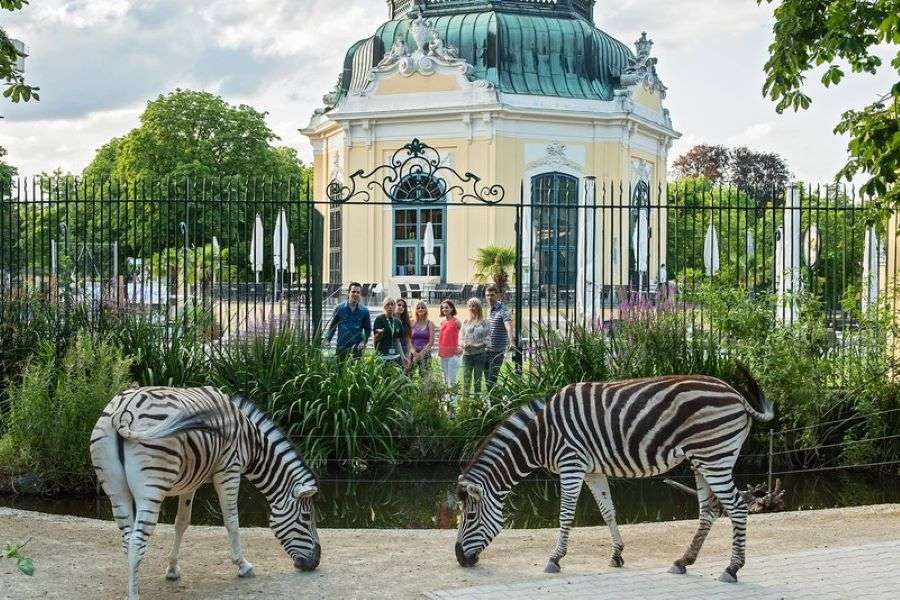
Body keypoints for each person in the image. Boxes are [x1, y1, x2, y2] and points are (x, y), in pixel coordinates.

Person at [324, 282, 371, 359]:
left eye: (358, 292)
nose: (355, 294)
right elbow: (332, 327)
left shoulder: (365, 311)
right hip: (341, 347)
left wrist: (363, 342)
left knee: (356, 370)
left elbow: (368, 330)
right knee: (340, 370)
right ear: (348, 293)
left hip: (357, 348)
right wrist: (327, 340)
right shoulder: (339, 308)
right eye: (353, 292)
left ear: (360, 295)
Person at [484, 284, 515, 390]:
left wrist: (511, 341)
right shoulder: (487, 310)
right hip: (485, 350)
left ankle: (497, 405)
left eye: (492, 295)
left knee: (491, 381)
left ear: (497, 295)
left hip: (497, 351)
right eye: (487, 295)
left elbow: (509, 326)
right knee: (487, 381)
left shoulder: (503, 309)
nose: (489, 298)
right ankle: (494, 403)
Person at [459, 297, 490, 401]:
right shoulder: (465, 322)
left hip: (480, 355)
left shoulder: (485, 322)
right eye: (470, 306)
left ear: (479, 307)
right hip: (467, 355)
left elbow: (488, 340)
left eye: (474, 305)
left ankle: (477, 404)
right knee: (466, 381)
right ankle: (465, 406)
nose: (471, 308)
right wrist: (463, 344)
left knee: (478, 381)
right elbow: (461, 338)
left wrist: (477, 345)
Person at [437, 299, 462, 413]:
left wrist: (460, 347)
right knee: (445, 381)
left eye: (447, 307)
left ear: (452, 308)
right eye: (443, 308)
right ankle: (447, 405)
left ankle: (453, 408)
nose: (444, 309)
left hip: (453, 356)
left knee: (453, 381)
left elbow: (463, 336)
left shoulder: (457, 322)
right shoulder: (442, 322)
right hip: (443, 355)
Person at [373, 297, 408, 367]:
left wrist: (403, 356)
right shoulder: (379, 319)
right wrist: (379, 334)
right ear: (384, 307)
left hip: (395, 356)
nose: (390, 307)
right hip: (383, 356)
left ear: (395, 307)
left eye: (392, 305)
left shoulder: (398, 322)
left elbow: (398, 341)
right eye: (387, 305)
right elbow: (375, 339)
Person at [409, 300, 435, 379]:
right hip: (413, 354)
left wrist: (421, 354)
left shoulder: (430, 323)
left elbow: (431, 342)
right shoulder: (411, 322)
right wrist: (414, 353)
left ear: (426, 310)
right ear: (416, 310)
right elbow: (409, 340)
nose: (420, 309)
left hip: (425, 354)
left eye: (423, 307)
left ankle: (424, 392)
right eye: (418, 308)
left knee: (425, 378)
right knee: (409, 375)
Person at [395, 297, 413, 361]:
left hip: (405, 349)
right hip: (394, 351)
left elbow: (408, 339)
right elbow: (397, 340)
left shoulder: (405, 322)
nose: (401, 307)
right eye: (399, 305)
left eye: (403, 306)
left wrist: (408, 355)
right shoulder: (391, 321)